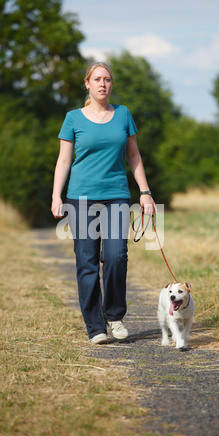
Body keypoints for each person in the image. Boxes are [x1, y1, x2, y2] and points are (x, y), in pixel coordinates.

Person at [51, 62, 156, 345]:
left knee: (115, 256)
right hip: (81, 197)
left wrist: (145, 192)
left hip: (116, 195)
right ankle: (95, 327)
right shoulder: (73, 118)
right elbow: (64, 160)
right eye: (97, 79)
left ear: (112, 84)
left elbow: (134, 157)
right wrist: (56, 195)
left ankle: (115, 316)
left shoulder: (123, 115)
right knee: (86, 262)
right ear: (87, 83)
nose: (102, 84)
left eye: (107, 79)